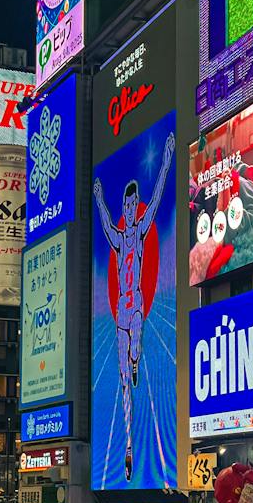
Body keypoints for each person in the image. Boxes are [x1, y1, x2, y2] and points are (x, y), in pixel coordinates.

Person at [93, 128, 176, 483]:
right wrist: (98, 197)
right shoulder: (117, 236)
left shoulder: (140, 232)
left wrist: (168, 157)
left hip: (136, 307)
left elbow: (157, 197)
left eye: (132, 204)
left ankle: (136, 362)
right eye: (125, 205)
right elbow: (104, 222)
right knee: (125, 378)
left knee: (135, 355)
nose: (129, 209)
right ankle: (128, 445)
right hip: (120, 316)